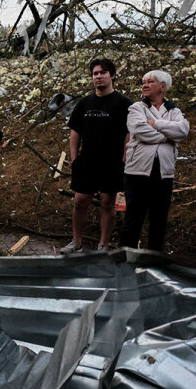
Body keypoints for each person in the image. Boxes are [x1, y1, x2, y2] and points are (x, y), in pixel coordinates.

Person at [61, 58, 132, 254]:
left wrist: (124, 159)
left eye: (102, 72)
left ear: (112, 75)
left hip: (112, 163)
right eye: (95, 73)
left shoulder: (124, 103)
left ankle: (103, 245)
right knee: (80, 201)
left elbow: (129, 133)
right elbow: (75, 131)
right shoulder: (85, 103)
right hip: (86, 162)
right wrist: (75, 158)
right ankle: (76, 242)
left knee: (107, 204)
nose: (98, 76)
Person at [119, 70, 190, 251]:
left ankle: (154, 261)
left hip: (164, 173)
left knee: (158, 221)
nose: (145, 85)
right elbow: (140, 130)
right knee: (133, 219)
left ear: (163, 87)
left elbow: (182, 131)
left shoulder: (174, 110)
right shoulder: (136, 108)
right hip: (137, 172)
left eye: (150, 81)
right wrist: (167, 136)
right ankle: (126, 260)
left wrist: (156, 124)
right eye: (144, 81)